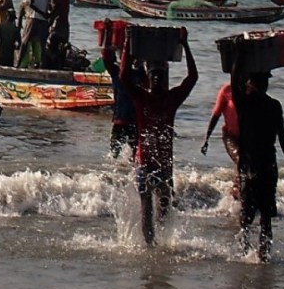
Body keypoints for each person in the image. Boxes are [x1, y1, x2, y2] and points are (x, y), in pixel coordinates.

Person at [120, 33, 198, 246]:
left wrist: (185, 44)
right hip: (143, 162)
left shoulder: (171, 99)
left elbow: (192, 78)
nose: (156, 78)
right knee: (146, 206)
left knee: (164, 207)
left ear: (165, 79)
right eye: (153, 75)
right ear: (148, 77)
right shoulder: (142, 98)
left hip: (164, 164)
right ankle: (150, 247)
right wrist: (127, 43)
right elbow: (124, 77)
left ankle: (160, 246)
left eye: (160, 75)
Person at [231, 71, 284, 261]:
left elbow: (283, 137)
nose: (263, 85)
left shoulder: (272, 105)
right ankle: (248, 253)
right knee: (248, 217)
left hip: (265, 166)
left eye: (264, 81)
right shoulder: (245, 103)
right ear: (250, 83)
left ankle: (261, 256)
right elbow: (234, 80)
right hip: (253, 167)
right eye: (260, 81)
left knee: (261, 217)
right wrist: (239, 60)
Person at [102, 28, 138, 160]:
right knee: (117, 155)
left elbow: (106, 57)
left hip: (129, 121)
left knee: (119, 156)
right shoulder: (119, 72)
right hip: (125, 121)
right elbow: (106, 57)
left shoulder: (138, 74)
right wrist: (108, 33)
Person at [200, 81, 240, 196]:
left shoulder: (251, 90)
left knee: (248, 165)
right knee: (240, 159)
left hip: (248, 137)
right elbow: (216, 115)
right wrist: (206, 139)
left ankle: (237, 192)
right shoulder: (227, 90)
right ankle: (235, 193)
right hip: (230, 136)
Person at [19, 0, 55, 68]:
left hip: (32, 18)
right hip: (43, 21)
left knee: (25, 42)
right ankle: (42, 66)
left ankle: (18, 64)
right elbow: (54, 4)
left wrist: (40, 12)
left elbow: (31, 4)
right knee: (42, 44)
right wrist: (47, 14)